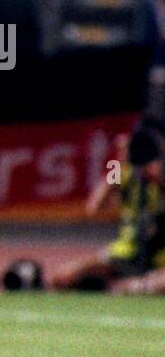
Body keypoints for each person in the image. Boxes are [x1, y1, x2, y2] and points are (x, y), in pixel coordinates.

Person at [54, 121, 165, 293]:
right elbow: (95, 206)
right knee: (62, 278)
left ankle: (128, 286)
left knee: (157, 284)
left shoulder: (159, 174)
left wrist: (158, 176)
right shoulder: (123, 172)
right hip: (125, 252)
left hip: (159, 259)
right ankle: (125, 286)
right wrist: (118, 164)